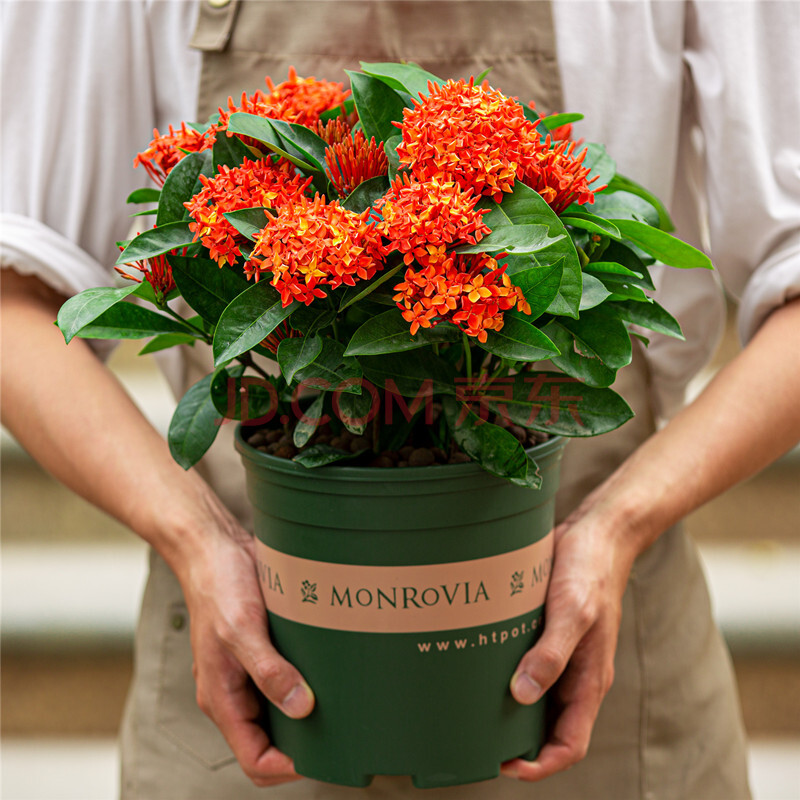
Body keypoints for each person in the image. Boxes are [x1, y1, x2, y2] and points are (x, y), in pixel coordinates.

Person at [2, 1, 799, 798]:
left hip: (597, 671)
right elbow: (13, 302)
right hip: (244, 663)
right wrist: (194, 539)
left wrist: (618, 526)